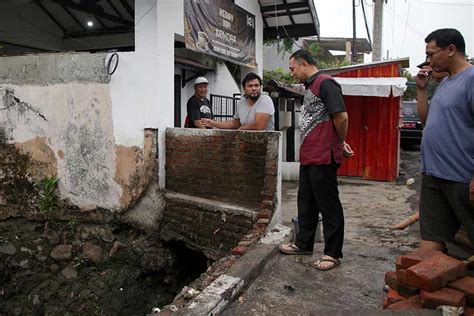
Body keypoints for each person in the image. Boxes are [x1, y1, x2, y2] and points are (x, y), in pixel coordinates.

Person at [279, 49, 353, 271]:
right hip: (310, 155)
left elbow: (341, 116)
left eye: (292, 68)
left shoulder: (326, 83)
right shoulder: (310, 86)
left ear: (303, 64)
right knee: (307, 202)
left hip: (323, 155)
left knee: (328, 205)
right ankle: (304, 244)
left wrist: (339, 142)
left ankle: (332, 253)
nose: (292, 73)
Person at [415, 28, 474, 251]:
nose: (428, 60)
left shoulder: (471, 79)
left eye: (431, 54)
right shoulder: (446, 83)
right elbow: (426, 123)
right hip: (433, 174)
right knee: (432, 236)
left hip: (461, 177)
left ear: (451, 50)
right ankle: (425, 282)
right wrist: (422, 91)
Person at [202, 72, 274, 131]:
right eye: (250, 86)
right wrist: (213, 123)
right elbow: (235, 123)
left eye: (256, 85)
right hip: (247, 144)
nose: (253, 88)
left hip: (266, 145)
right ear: (244, 89)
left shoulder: (265, 100)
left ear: (260, 87)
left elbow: (258, 125)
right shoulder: (241, 103)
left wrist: (241, 128)